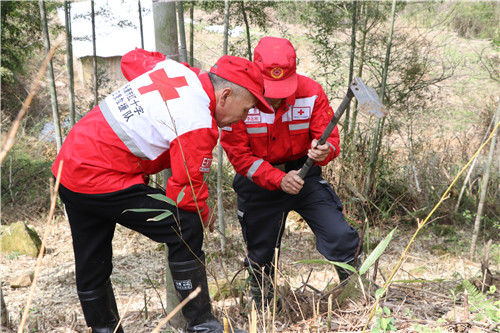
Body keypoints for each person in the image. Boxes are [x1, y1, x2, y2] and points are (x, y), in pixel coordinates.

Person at [52, 48, 272, 333]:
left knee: (91, 259)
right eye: (246, 109)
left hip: (69, 167)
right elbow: (186, 192)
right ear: (226, 94)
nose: (242, 118)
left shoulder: (174, 72)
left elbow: (132, 58)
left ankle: (104, 329)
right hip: (103, 176)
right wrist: (204, 215)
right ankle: (203, 325)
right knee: (186, 226)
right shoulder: (197, 122)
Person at [220, 37, 361, 308]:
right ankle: (263, 307)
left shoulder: (311, 92)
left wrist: (324, 150)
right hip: (258, 181)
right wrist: (277, 179)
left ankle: (357, 292)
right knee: (261, 254)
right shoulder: (237, 99)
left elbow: (330, 139)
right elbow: (240, 157)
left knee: (340, 235)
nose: (276, 95)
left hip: (305, 176)